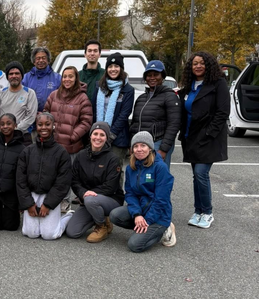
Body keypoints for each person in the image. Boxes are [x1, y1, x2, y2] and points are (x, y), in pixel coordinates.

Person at [179, 51, 230, 229]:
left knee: (201, 173)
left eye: (201, 63)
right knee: (196, 176)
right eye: (194, 63)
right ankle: (198, 210)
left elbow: (223, 112)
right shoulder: (189, 86)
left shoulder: (218, 84)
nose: (198, 66)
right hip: (190, 137)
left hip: (208, 138)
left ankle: (207, 212)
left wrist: (209, 133)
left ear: (208, 65)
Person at [110, 131, 176, 252]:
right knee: (114, 215)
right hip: (141, 211)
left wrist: (148, 220)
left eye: (143, 145)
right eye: (136, 146)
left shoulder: (160, 168)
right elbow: (130, 193)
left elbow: (161, 199)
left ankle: (163, 230)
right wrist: (137, 214)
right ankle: (142, 228)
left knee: (134, 245)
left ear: (150, 148)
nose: (139, 149)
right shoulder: (131, 168)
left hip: (158, 216)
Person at [17, 113, 73, 240]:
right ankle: (39, 218)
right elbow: (20, 180)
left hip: (50, 195)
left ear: (54, 126)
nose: (44, 128)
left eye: (47, 124)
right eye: (40, 124)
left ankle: (67, 217)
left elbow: (63, 181)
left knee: (49, 235)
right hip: (32, 195)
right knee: (31, 233)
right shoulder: (28, 151)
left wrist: (48, 204)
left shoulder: (61, 152)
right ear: (36, 126)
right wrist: (28, 204)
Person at [65, 122, 123, 242]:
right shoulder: (81, 156)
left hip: (111, 200)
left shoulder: (113, 159)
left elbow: (111, 186)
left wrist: (88, 194)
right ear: (90, 136)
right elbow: (74, 180)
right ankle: (97, 214)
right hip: (88, 199)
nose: (98, 137)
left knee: (91, 200)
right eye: (95, 133)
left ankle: (102, 226)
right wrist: (82, 193)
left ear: (106, 138)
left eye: (102, 135)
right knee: (72, 232)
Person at [44, 65, 93, 210]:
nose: (67, 79)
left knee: (67, 175)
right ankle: (52, 199)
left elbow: (87, 121)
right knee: (52, 172)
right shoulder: (53, 95)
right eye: (64, 76)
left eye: (70, 76)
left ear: (76, 78)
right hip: (53, 143)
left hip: (71, 145)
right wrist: (48, 131)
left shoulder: (82, 98)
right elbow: (45, 113)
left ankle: (65, 201)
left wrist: (73, 136)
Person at [91, 52, 135, 186]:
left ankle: (116, 198)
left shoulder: (128, 90)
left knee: (115, 168)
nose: (113, 69)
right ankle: (98, 196)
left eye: (117, 66)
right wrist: (97, 132)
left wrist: (110, 134)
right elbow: (93, 109)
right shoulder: (99, 86)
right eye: (110, 66)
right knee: (98, 168)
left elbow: (124, 114)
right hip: (98, 135)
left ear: (121, 68)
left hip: (117, 137)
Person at [130, 60, 181, 168]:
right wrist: (132, 145)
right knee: (142, 178)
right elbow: (135, 124)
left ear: (162, 76)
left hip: (158, 143)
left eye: (156, 74)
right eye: (149, 75)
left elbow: (174, 124)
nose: (152, 78)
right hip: (141, 145)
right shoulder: (141, 98)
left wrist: (163, 149)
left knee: (159, 179)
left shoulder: (170, 96)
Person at [0, 61, 37, 147]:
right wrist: (4, 129)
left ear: (21, 76)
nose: (14, 76)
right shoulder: (0, 93)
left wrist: (15, 130)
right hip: (3, 137)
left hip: (23, 138)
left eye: (17, 73)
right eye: (11, 74)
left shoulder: (30, 93)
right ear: (7, 76)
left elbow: (31, 116)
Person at [22, 47, 61, 113]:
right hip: (30, 117)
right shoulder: (26, 78)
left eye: (43, 58)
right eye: (38, 58)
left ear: (48, 60)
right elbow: (21, 98)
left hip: (51, 117)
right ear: (34, 61)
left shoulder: (57, 78)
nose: (41, 60)